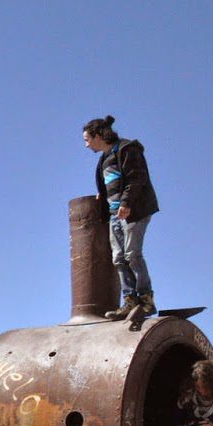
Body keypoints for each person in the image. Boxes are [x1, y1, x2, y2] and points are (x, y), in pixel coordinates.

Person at [83, 115, 160, 320]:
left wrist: (126, 203)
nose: (86, 145)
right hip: (114, 215)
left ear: (98, 135)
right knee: (118, 258)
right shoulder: (103, 160)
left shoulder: (127, 149)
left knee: (132, 254)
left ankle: (146, 299)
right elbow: (109, 184)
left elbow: (137, 177)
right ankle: (129, 300)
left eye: (87, 139)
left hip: (134, 211)